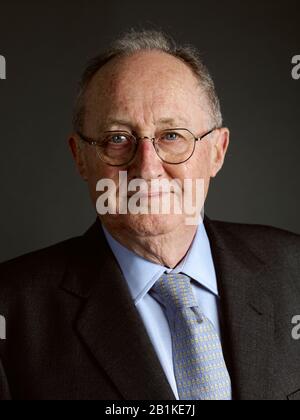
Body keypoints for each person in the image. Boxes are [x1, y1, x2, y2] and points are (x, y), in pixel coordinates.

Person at [0, 30, 300, 401]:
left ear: (217, 152)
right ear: (80, 156)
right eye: (117, 138)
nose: (147, 168)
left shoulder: (294, 270)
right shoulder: (11, 313)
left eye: (171, 135)